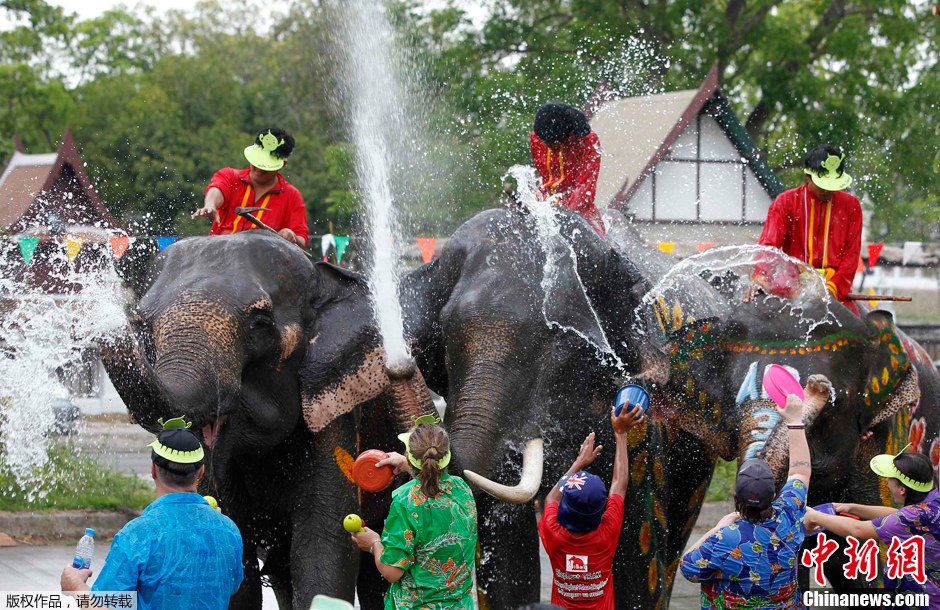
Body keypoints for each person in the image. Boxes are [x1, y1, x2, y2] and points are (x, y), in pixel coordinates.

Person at [60, 416, 243, 609]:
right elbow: (233, 585)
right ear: (201, 472)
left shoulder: (137, 535)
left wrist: (75, 586)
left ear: (153, 470)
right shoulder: (229, 530)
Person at [680, 393, 812, 609]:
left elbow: (688, 568)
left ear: (736, 498)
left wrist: (718, 528)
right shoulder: (789, 513)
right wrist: (795, 421)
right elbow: (800, 470)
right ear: (774, 496)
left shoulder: (725, 538)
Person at [351, 414, 477, 609]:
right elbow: (434, 488)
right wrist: (409, 467)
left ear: (410, 457)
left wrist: (373, 543)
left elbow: (392, 571)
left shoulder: (405, 502)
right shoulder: (462, 489)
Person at [538, 402, 646, 609]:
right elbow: (619, 485)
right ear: (601, 511)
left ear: (565, 510)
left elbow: (551, 499)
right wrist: (621, 434)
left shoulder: (553, 535)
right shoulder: (606, 533)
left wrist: (579, 462)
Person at [804, 448, 939, 607]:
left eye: (889, 479)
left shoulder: (909, 518)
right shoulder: (931, 501)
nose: (887, 483)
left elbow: (857, 530)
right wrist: (851, 508)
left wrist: (814, 516)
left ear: (902, 489)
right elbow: (896, 515)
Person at [755, 144, 862, 313]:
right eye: (822, 185)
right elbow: (769, 247)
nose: (827, 191)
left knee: (860, 333)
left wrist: (832, 290)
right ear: (807, 175)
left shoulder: (851, 206)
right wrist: (761, 279)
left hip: (835, 291)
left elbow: (851, 255)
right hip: (790, 288)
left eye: (832, 186)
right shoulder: (784, 203)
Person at [193, 128, 309, 248]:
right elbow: (217, 189)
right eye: (257, 162)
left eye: (265, 166)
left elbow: (302, 238)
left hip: (262, 262)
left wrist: (292, 236)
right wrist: (210, 204)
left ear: (283, 164)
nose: (258, 169)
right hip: (220, 253)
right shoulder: (230, 176)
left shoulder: (292, 196)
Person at [530, 102, 606, 236]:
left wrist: (566, 215)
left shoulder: (588, 142)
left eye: (551, 144)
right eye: (543, 142)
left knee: (604, 247)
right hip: (545, 205)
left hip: (579, 210)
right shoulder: (536, 138)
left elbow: (585, 187)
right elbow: (545, 178)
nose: (545, 145)